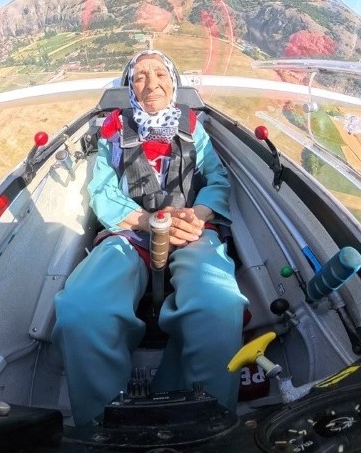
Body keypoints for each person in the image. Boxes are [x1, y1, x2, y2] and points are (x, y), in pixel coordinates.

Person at [52, 50, 248, 426]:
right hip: (131, 230)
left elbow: (217, 178)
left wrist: (199, 214)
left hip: (190, 227)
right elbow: (102, 190)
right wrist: (146, 221)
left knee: (219, 305)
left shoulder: (193, 126)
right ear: (130, 87)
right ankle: (101, 425)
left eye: (160, 74)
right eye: (140, 76)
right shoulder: (113, 131)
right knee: (81, 309)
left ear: (173, 83)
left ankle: (204, 418)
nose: (151, 83)